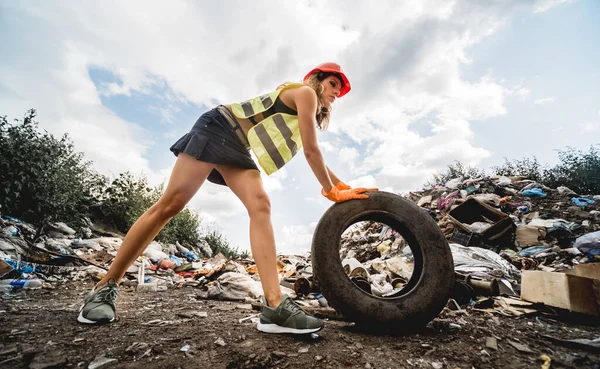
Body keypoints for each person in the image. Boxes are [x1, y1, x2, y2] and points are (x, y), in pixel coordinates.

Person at [77, 62, 375, 334]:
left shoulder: (305, 110)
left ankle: (274, 307)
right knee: (171, 204)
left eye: (340, 89)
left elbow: (314, 154)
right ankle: (104, 287)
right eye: (334, 84)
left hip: (235, 144)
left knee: (261, 205)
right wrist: (331, 190)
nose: (337, 93)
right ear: (317, 79)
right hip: (218, 126)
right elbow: (312, 151)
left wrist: (343, 186)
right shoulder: (306, 94)